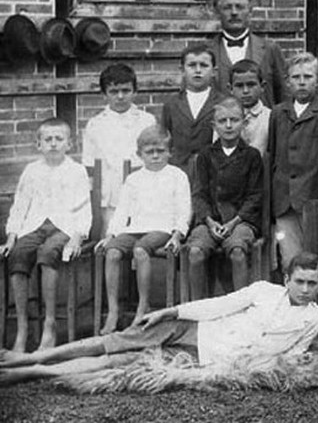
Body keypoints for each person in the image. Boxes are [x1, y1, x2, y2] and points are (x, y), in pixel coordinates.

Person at [0, 251, 318, 385]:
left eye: (312, 284)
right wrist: (171, 311)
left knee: (117, 362)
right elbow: (218, 305)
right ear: (287, 279)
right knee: (110, 343)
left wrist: (280, 362)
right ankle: (30, 356)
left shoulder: (316, 318)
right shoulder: (263, 290)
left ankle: (33, 371)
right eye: (299, 281)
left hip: (207, 357)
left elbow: (295, 353)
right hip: (192, 327)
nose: (304, 289)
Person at [0, 118, 92, 352]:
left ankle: (49, 324)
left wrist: (77, 237)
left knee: (48, 253)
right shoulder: (32, 171)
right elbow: (20, 205)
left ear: (69, 144)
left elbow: (84, 209)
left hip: (64, 227)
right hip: (34, 226)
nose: (53, 144)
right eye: (47, 139)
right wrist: (11, 236)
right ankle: (23, 327)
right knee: (18, 254)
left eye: (59, 139)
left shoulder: (76, 171)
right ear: (38, 144)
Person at [95, 126, 189, 333]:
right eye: (149, 152)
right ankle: (113, 310)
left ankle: (143, 305)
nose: (155, 156)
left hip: (162, 228)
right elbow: (122, 210)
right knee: (112, 252)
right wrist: (111, 235)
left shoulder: (177, 176)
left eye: (160, 151)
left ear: (169, 152)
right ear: (140, 154)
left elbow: (184, 210)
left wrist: (177, 235)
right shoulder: (133, 179)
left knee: (140, 250)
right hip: (136, 228)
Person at [269, 53, 318, 267]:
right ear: (287, 82)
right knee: (289, 259)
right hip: (284, 200)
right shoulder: (278, 113)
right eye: (296, 77)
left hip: (315, 197)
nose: (301, 82)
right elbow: (272, 156)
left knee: (316, 258)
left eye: (308, 77)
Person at [188, 97, 264, 301]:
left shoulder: (252, 156)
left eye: (234, 120)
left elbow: (255, 196)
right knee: (195, 251)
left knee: (237, 250)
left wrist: (234, 222)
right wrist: (209, 221)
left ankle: (240, 306)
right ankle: (197, 307)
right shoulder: (205, 155)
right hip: (210, 221)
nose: (228, 125)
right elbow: (199, 194)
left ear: (244, 123)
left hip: (241, 221)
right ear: (214, 125)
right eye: (222, 121)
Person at [82, 63, 157, 237]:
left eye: (126, 90)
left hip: (142, 194)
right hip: (109, 196)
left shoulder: (147, 121)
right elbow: (89, 166)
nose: (120, 96)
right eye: (114, 92)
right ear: (104, 94)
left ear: (135, 91)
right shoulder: (96, 124)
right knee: (110, 238)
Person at [207, 0, 287, 107]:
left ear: (250, 11)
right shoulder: (206, 52)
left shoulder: (270, 49)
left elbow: (284, 95)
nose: (234, 12)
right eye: (227, 8)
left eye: (239, 7)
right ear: (218, 13)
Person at [160, 44, 223, 175]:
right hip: (178, 172)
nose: (198, 70)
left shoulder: (223, 102)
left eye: (204, 65)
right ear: (182, 70)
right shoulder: (171, 104)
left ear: (214, 71)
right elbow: (165, 141)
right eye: (192, 65)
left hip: (213, 172)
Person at [229, 59, 271, 154]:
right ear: (230, 89)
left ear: (262, 86)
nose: (245, 91)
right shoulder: (224, 118)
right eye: (239, 86)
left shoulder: (271, 117)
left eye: (251, 85)